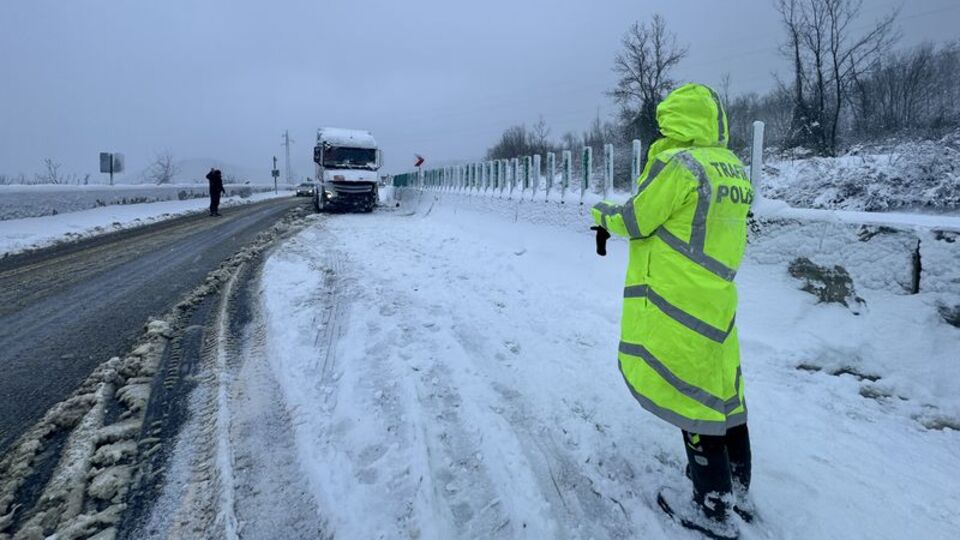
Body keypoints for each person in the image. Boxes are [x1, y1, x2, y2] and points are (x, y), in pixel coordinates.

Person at [591, 83, 754, 537]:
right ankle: (739, 487)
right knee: (726, 395)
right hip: (718, 296)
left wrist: (601, 213)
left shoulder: (683, 166)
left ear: (678, 121)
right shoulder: (734, 167)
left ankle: (713, 506)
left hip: (679, 299)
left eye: (666, 121)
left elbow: (637, 220)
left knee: (692, 400)